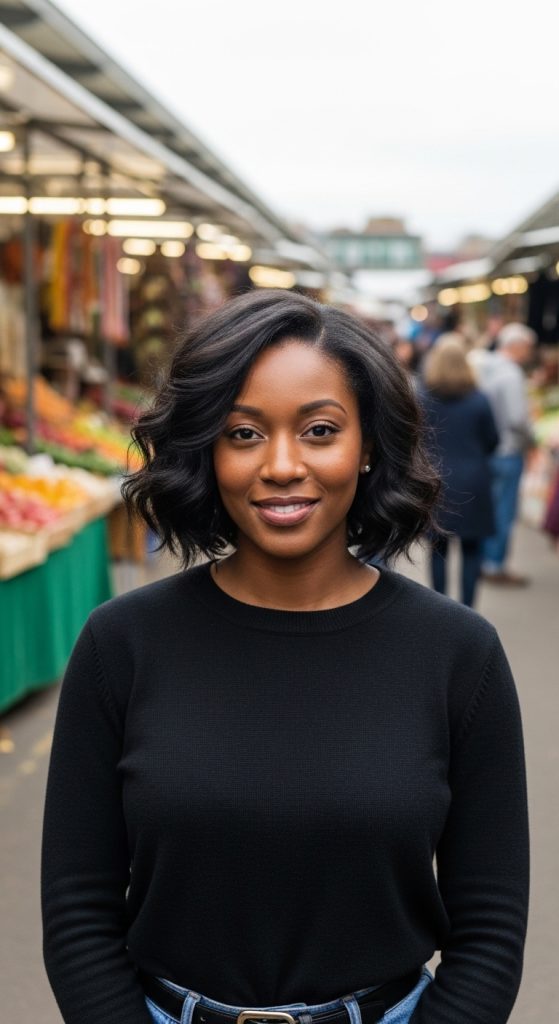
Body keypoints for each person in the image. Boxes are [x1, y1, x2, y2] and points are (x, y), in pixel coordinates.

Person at [41, 290, 529, 1024]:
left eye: (319, 431)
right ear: (206, 449)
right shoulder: (122, 644)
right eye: (242, 433)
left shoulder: (459, 654)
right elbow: (77, 908)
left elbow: (490, 927)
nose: (280, 465)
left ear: (368, 446)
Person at [419, 337, 499, 607]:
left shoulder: (424, 399)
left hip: (436, 479)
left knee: (437, 549)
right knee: (472, 549)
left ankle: (442, 609)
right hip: (473, 480)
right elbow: (493, 440)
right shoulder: (479, 400)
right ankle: (468, 611)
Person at [469, 322, 537, 585]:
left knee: (489, 506)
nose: (530, 353)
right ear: (517, 346)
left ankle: (483, 559)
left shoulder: (484, 366)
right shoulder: (511, 373)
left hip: (487, 448)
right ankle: (494, 563)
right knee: (504, 509)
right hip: (508, 449)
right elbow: (517, 418)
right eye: (528, 347)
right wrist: (530, 440)